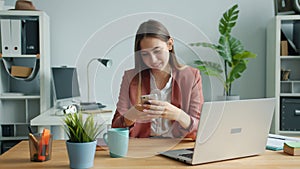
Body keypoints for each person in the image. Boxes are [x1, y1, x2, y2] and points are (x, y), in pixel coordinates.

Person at [111, 19, 204, 140]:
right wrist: (131, 115)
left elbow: (200, 128)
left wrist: (178, 115)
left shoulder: (191, 76)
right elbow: (115, 126)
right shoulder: (131, 77)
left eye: (157, 51)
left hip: (178, 146)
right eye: (145, 54)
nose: (153, 60)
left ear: (170, 44)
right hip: (143, 146)